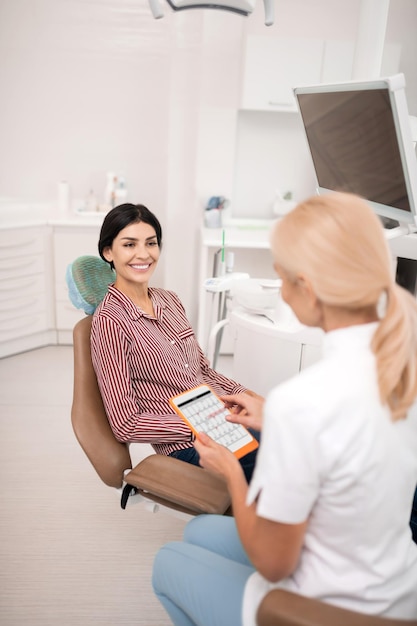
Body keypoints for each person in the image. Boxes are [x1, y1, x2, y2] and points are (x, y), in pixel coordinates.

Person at [152, 192, 417, 625]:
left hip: (335, 605)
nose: (282, 292)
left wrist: (233, 476)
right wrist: (274, 419)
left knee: (168, 561)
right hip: (398, 584)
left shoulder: (305, 401)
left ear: (308, 290)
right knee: (199, 530)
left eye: (280, 279)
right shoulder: (400, 364)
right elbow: (347, 443)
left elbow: (275, 563)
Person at [90, 202, 260, 483]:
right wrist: (201, 425)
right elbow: (126, 424)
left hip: (218, 419)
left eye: (151, 243)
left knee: (288, 432)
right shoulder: (111, 322)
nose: (143, 254)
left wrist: (247, 396)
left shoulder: (170, 300)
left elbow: (203, 372)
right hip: (187, 445)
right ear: (108, 251)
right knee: (276, 453)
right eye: (129, 245)